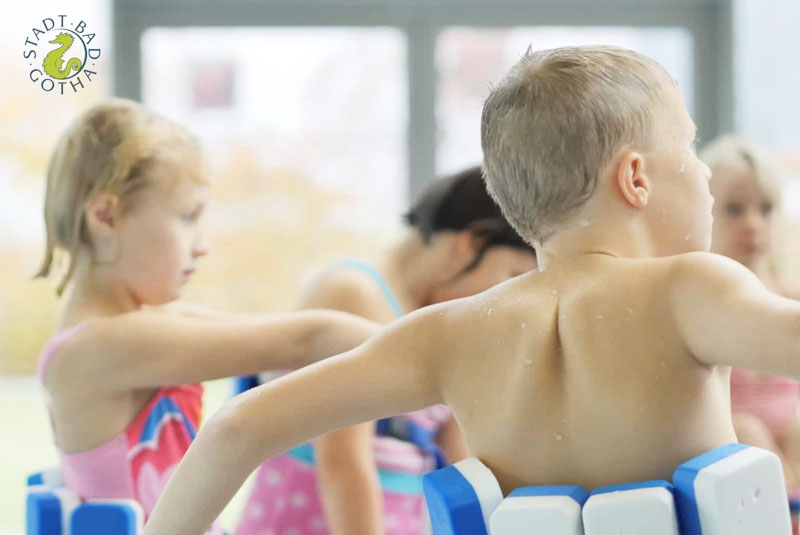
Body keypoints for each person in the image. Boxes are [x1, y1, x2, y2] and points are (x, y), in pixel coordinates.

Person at [144, 45, 800, 535]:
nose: (704, 177)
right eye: (689, 149)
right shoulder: (691, 291)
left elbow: (237, 426)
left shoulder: (450, 335)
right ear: (636, 178)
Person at [34, 98, 378, 529]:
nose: (202, 245)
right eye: (187, 216)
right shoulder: (98, 348)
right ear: (106, 217)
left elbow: (295, 337)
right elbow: (305, 340)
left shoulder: (145, 325)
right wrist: (436, 351)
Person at [235, 166, 536, 535]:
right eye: (512, 276)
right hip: (312, 521)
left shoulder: (448, 324)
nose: (507, 302)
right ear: (472, 242)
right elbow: (343, 461)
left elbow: (460, 457)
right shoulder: (355, 294)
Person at [701, 136, 800, 489]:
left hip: (790, 444)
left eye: (766, 209)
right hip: (734, 453)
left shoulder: (791, 298)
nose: (753, 223)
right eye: (734, 209)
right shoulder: (697, 305)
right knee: (748, 432)